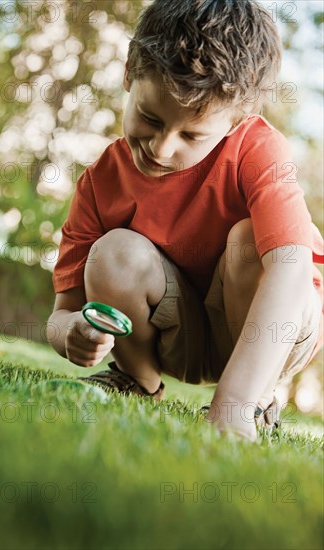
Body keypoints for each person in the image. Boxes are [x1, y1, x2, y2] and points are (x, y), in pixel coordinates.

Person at [47, 0, 324, 441]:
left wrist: (232, 404)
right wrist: (73, 332)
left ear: (237, 122)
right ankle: (136, 380)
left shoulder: (257, 151)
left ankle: (252, 398)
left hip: (271, 335)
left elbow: (291, 270)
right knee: (114, 251)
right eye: (149, 118)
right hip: (176, 338)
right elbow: (61, 314)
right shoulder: (102, 182)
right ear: (128, 75)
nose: (160, 148)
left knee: (251, 240)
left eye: (191, 135)